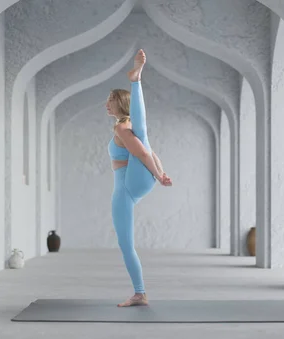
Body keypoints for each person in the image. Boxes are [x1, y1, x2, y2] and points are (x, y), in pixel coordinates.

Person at [106, 49, 172, 307]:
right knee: (142, 130)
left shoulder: (121, 127)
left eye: (110, 100)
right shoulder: (129, 126)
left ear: (120, 103)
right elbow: (149, 148)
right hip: (140, 178)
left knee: (125, 243)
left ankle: (139, 293)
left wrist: (158, 173)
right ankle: (136, 80)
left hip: (128, 184)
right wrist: (161, 172)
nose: (106, 104)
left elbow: (144, 152)